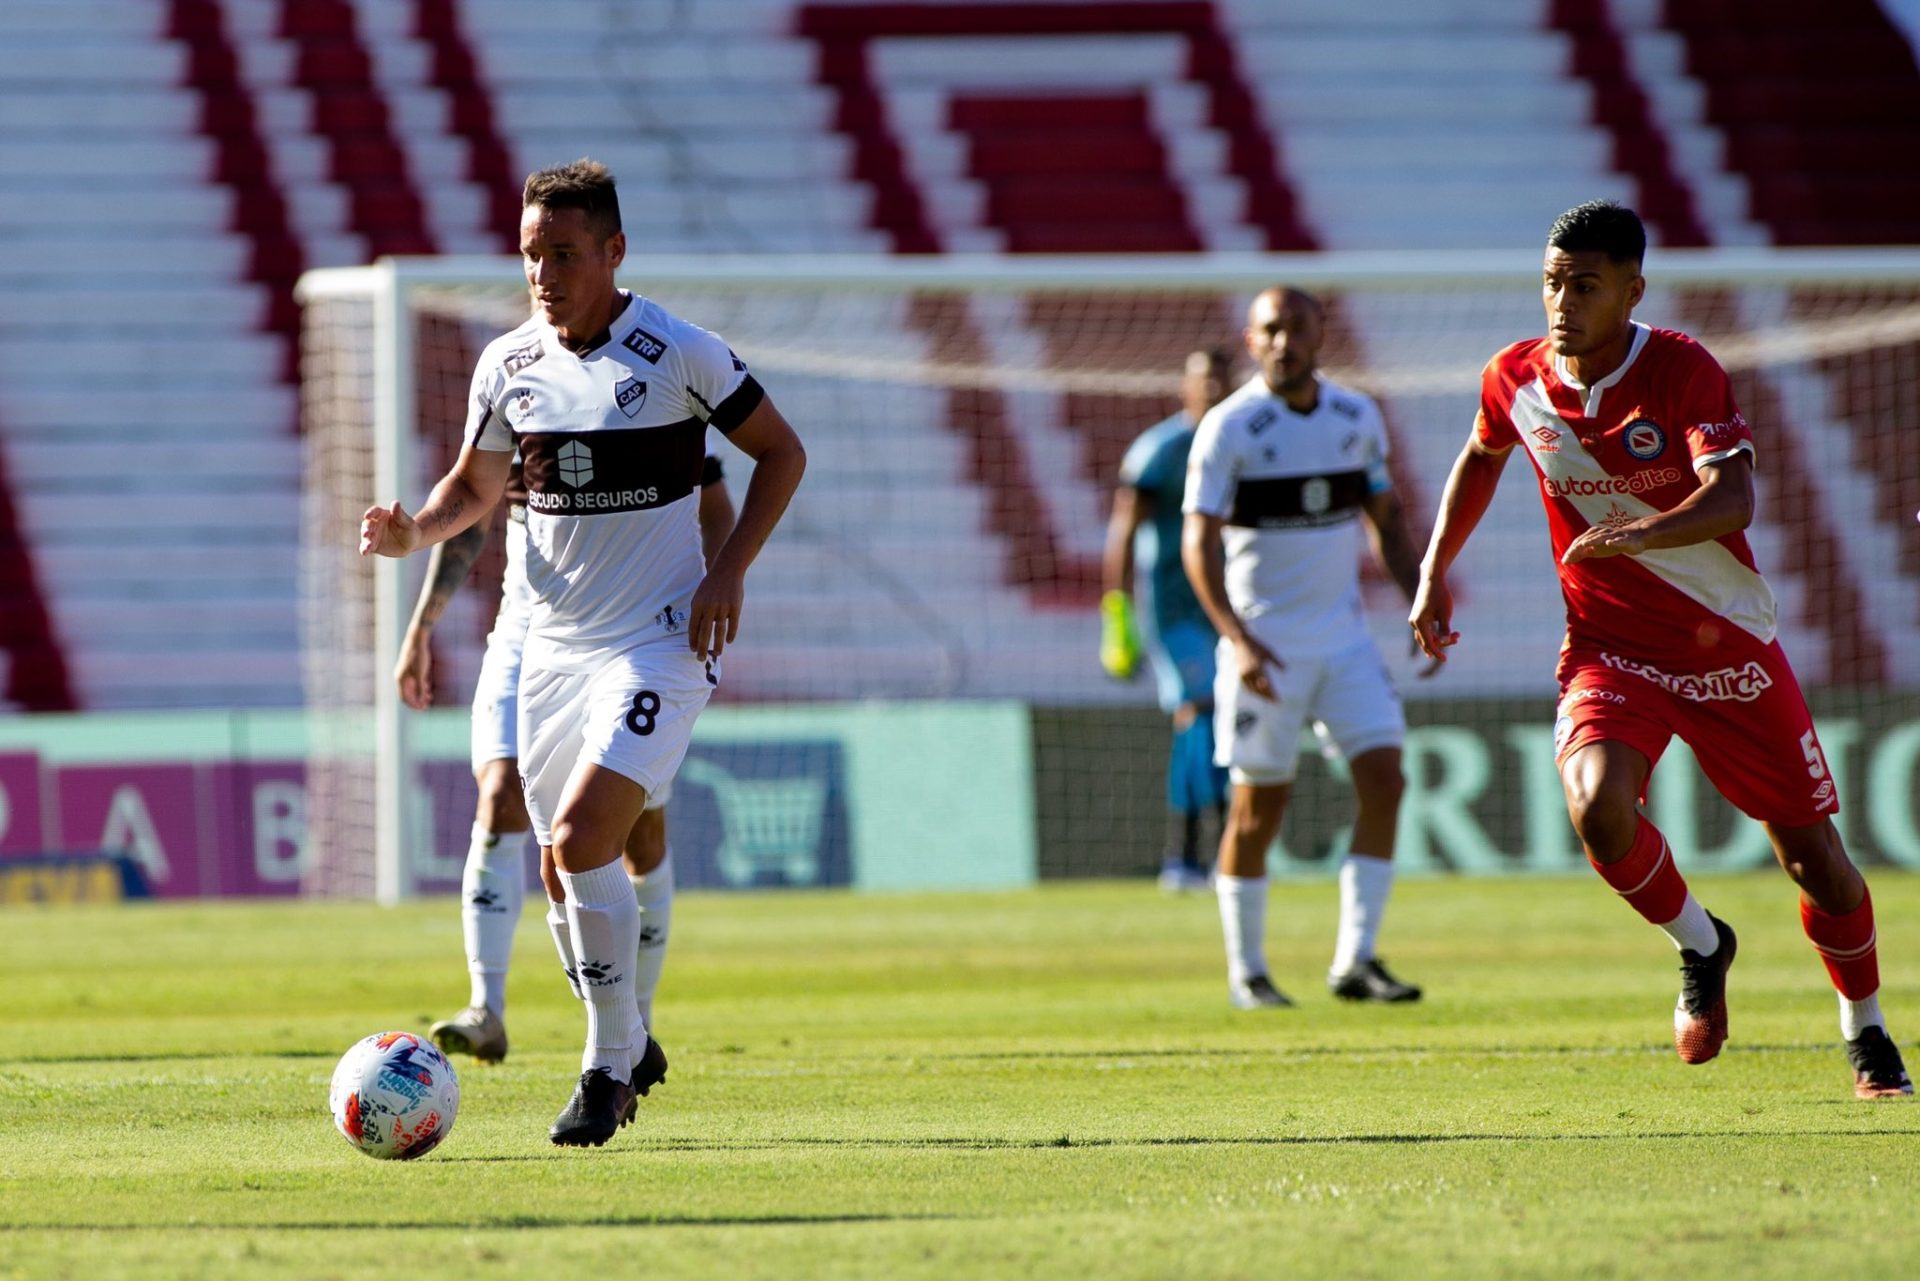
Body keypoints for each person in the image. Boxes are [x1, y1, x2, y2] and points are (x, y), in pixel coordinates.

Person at [1410, 199, 1909, 1098]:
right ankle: (1703, 944)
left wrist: (1642, 531)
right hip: (1610, 645)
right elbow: (1482, 455)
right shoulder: (1514, 377)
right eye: (1553, 283)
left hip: (1726, 650)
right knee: (1598, 806)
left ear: (1632, 290)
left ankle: (1866, 1026)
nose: (1563, 302)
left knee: (1816, 862)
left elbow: (1734, 500)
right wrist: (1434, 567)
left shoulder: (1682, 368)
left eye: (1586, 285)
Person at [361, 158, 806, 1146]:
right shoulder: (508, 365)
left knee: (578, 840)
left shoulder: (679, 352)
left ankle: (605, 1071)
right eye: (530, 255)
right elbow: (472, 493)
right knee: (564, 871)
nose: (543, 273)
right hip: (551, 648)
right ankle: (629, 1041)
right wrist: (411, 536)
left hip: (657, 639)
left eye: (563, 254)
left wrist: (728, 572)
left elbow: (784, 451)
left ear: (614, 251)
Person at [395, 454, 735, 1065]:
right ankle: (486, 1007)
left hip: (634, 633)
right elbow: (474, 504)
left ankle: (634, 1021)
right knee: (501, 795)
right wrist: (423, 625)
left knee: (636, 837)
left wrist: (714, 586)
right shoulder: (522, 376)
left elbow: (713, 501)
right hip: (528, 629)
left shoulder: (655, 379)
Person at [1181, 286, 1430, 1010]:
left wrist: (1419, 595)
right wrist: (1238, 640)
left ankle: (1355, 960)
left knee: (1386, 778)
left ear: (1321, 332)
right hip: (1267, 647)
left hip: (1345, 641)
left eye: (1296, 327)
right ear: (1252, 340)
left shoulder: (1357, 416)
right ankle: (1248, 973)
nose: (1283, 341)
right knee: (1260, 809)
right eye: (1269, 330)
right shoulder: (1230, 427)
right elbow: (1199, 542)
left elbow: (1385, 516)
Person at [1101, 348, 1234, 892]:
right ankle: (1208, 848)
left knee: (1204, 720)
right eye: (1203, 380)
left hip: (1225, 606)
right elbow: (1124, 530)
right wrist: (1116, 611)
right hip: (1171, 606)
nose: (1213, 389)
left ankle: (1184, 856)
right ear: (1185, 386)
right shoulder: (1159, 450)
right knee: (1202, 710)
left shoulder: (1241, 441)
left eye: (1222, 380)